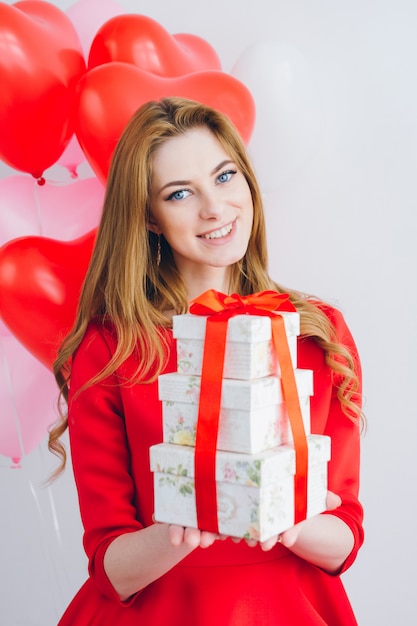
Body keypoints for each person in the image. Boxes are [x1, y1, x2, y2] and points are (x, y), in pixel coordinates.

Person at [49, 96, 364, 625]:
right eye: (179, 193)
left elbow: (346, 536)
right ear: (149, 218)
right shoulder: (111, 350)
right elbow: (110, 566)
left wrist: (282, 518)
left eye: (224, 177)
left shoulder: (318, 333)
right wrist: (193, 521)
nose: (214, 208)